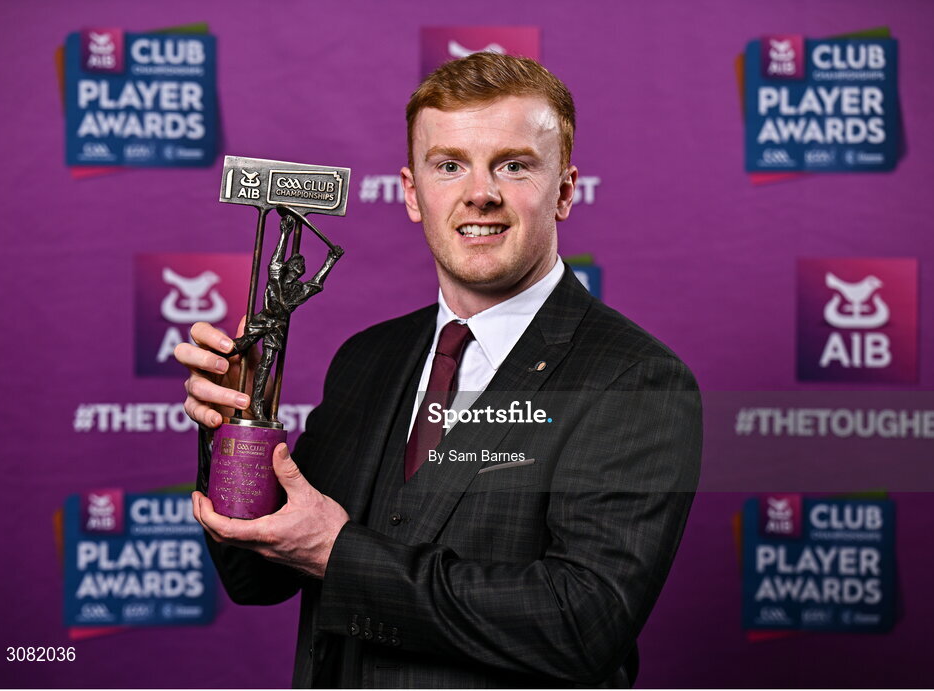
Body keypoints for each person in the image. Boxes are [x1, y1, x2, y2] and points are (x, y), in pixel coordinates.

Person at [176, 52, 701, 687]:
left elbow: (577, 625)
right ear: (412, 193)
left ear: (563, 192)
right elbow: (255, 578)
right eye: (449, 165)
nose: (479, 193)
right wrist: (239, 427)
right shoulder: (367, 359)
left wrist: (338, 553)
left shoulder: (634, 379)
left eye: (513, 165)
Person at [227, 208, 344, 420]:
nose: (302, 265)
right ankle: (220, 361)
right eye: (298, 262)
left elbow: (316, 283)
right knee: (240, 346)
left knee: (268, 363)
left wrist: (331, 260)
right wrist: (284, 234)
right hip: (264, 320)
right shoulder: (277, 279)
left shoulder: (298, 290)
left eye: (303, 264)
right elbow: (275, 262)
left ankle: (257, 403)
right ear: (290, 266)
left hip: (277, 327)